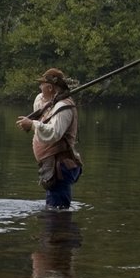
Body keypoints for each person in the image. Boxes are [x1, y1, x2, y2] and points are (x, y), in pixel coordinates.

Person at [16, 68, 83, 210]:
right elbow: (39, 101)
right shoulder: (49, 102)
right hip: (52, 165)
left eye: (42, 84)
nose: (40, 87)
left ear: (50, 87)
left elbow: (55, 133)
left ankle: (60, 232)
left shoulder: (63, 107)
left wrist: (32, 124)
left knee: (57, 212)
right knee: (53, 210)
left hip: (60, 166)